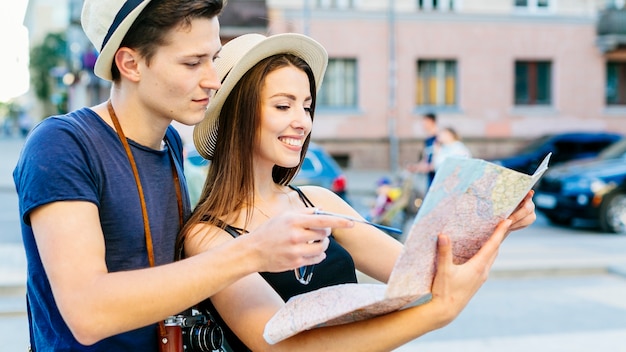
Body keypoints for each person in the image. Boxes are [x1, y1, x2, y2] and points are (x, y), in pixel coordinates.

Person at [12, 1, 353, 350]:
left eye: (213, 59)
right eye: (192, 63)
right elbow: (88, 313)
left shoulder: (170, 143)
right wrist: (252, 251)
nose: (214, 80)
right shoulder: (61, 143)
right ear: (130, 64)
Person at [182, 32, 537, 351]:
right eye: (283, 105)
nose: (303, 121)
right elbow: (282, 348)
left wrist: (495, 219)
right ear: (238, 115)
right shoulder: (207, 237)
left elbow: (420, 275)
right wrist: (436, 314)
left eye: (306, 106)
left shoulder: (317, 202)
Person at [408, 112, 438, 189]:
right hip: (430, 176)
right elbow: (426, 158)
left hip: (437, 176)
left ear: (431, 121)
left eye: (425, 122)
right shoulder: (427, 139)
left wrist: (425, 167)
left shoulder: (438, 139)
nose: (423, 124)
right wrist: (417, 167)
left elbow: (437, 159)